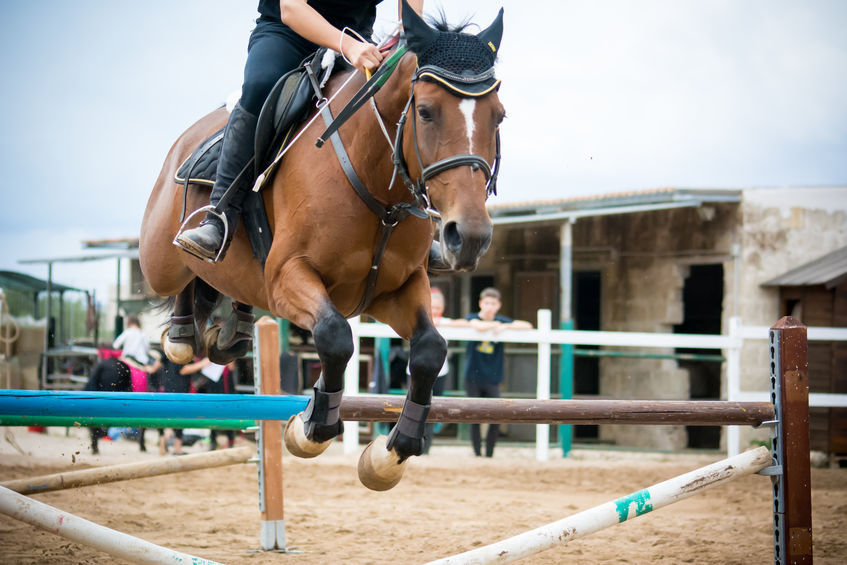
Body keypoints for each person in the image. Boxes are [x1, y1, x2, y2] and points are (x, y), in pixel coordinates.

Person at [176, 0, 424, 261]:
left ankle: (418, 216)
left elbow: (411, 20)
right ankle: (219, 216)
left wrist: (411, 41)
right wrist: (348, 46)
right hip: (287, 35)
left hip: (359, 39)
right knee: (260, 86)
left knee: (408, 91)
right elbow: (292, 8)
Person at [464, 287, 532, 457]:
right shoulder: (472, 317)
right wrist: (497, 325)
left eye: (493, 303)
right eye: (486, 303)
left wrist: (504, 327)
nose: (489, 306)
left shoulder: (502, 321)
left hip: (493, 377)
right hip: (473, 376)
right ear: (480, 303)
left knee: (496, 414)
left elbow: (527, 325)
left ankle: (490, 453)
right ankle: (477, 453)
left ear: (498, 305)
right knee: (474, 416)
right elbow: (477, 326)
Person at [405, 287, 467, 454]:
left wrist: (443, 322)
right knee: (412, 405)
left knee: (432, 407)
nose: (435, 311)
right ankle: (409, 440)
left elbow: (465, 323)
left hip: (439, 372)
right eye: (432, 307)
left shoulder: (445, 322)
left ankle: (426, 446)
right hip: (415, 370)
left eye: (438, 308)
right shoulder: (415, 320)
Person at [84, 355, 134, 455]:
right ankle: (141, 443)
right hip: (117, 398)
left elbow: (92, 384)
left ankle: (94, 444)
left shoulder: (101, 365)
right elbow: (128, 389)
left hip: (99, 397)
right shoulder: (124, 367)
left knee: (93, 417)